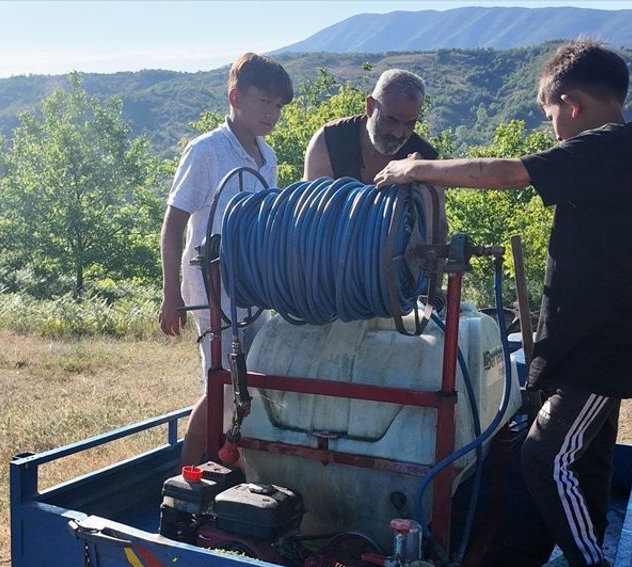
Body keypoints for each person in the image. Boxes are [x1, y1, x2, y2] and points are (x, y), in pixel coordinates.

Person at [375, 39, 632, 567]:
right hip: (588, 335)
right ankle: (577, 549)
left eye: (551, 113)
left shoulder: (608, 147)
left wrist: (415, 168)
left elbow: (507, 172)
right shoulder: (622, 151)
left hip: (603, 342)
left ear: (574, 103)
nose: (553, 124)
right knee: (584, 455)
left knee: (546, 453)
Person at [159, 52, 294, 466]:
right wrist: (170, 295)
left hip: (252, 289)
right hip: (211, 291)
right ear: (235, 96)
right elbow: (174, 223)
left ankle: (233, 464)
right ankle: (188, 474)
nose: (271, 113)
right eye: (263, 101)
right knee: (221, 384)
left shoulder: (265, 156)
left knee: (250, 381)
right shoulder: (207, 151)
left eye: (278, 105)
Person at [304, 69, 439, 183]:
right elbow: (311, 208)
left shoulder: (425, 159)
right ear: (370, 106)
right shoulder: (329, 140)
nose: (399, 133)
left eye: (410, 123)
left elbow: (434, 213)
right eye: (390, 120)